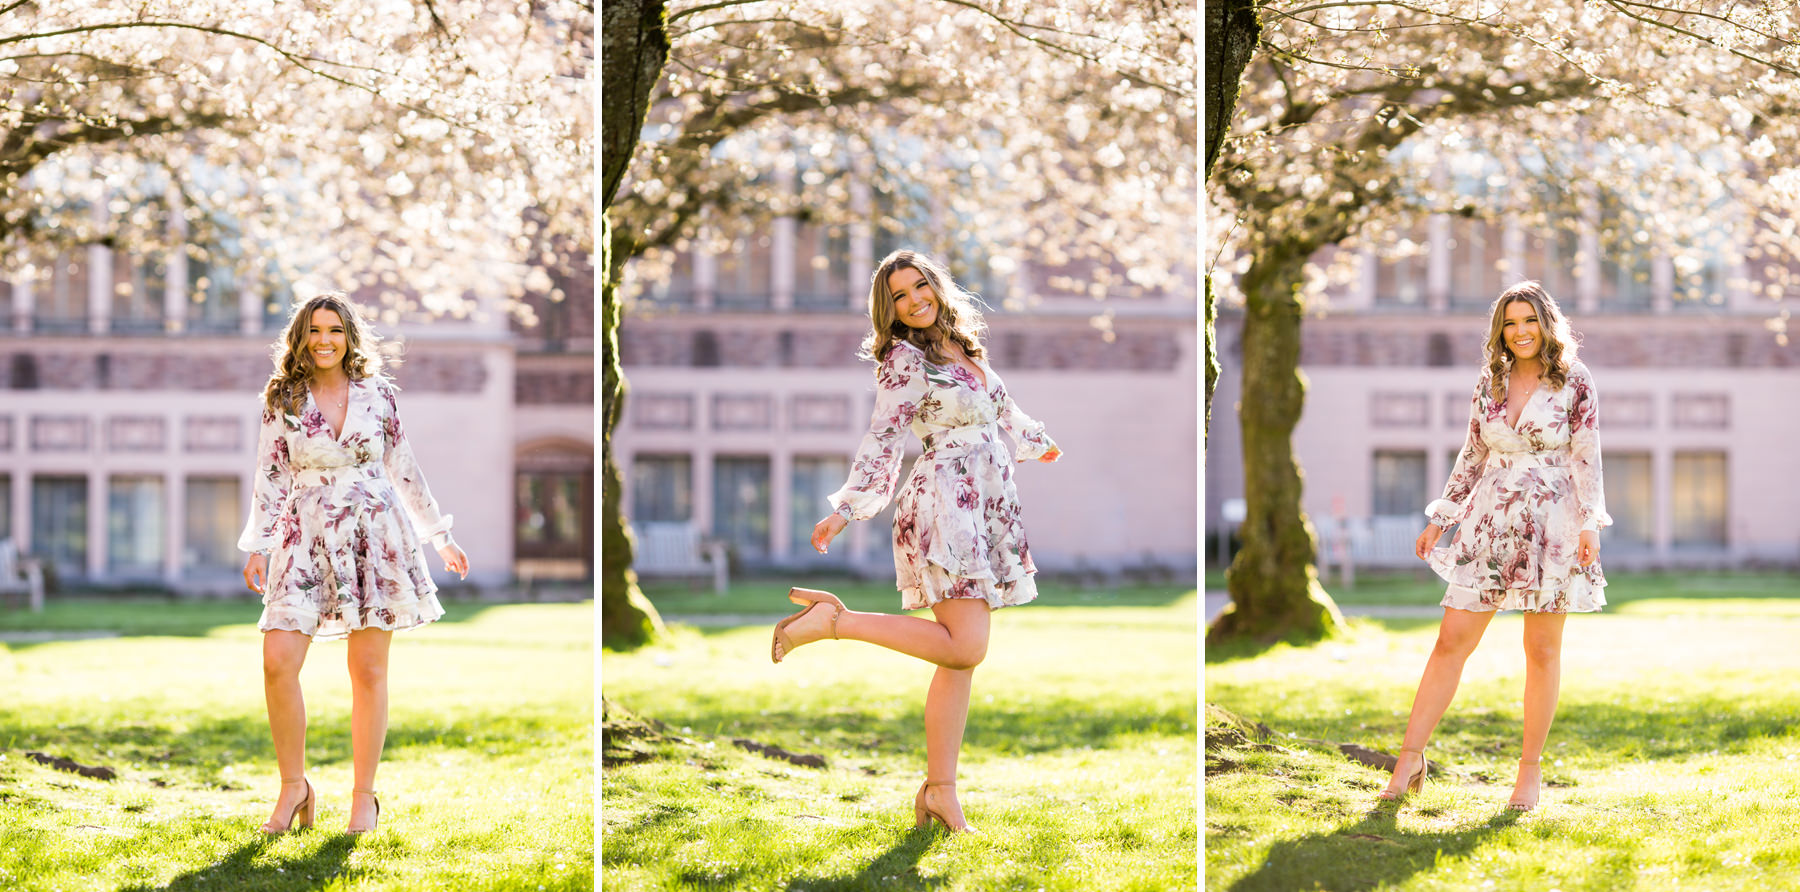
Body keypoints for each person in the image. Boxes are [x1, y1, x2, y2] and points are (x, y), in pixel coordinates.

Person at [769, 250, 1061, 833]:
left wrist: (1035, 439)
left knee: (958, 657)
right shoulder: (903, 358)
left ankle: (941, 793)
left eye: (919, 286)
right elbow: (885, 435)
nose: (914, 300)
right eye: (899, 295)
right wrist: (846, 510)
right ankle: (835, 621)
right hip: (945, 502)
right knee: (966, 647)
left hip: (985, 502)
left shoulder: (963, 346)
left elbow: (1001, 407)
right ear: (890, 309)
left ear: (935, 286)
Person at [239, 292, 470, 834]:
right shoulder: (284, 399)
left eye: (335, 330)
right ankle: (294, 787)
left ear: (349, 337)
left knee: (367, 672)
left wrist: (439, 536)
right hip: (304, 539)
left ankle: (363, 797)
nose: (324, 340)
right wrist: (258, 544)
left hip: (375, 536)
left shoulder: (378, 396)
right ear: (301, 337)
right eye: (315, 330)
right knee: (277, 660)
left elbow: (404, 467)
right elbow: (270, 474)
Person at [1379, 281, 1608, 812]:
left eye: (1529, 320)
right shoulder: (1492, 380)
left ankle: (1529, 774)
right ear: (1500, 331)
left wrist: (1589, 524)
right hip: (1489, 518)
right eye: (1510, 322)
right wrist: (1443, 517)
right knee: (1451, 640)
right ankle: (1409, 757)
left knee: (1542, 650)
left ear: (1547, 324)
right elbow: (1472, 452)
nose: (1520, 331)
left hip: (1554, 521)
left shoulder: (1575, 380)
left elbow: (1587, 454)